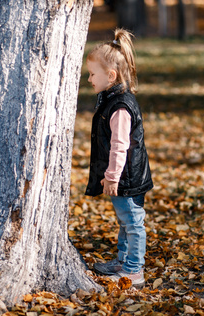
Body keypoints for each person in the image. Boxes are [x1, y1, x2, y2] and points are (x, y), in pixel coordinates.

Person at [84, 29, 153, 287]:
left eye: (92, 74)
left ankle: (134, 271)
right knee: (125, 222)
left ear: (110, 76)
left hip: (126, 176)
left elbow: (120, 145)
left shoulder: (120, 106)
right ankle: (123, 261)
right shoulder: (113, 99)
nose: (89, 79)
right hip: (127, 174)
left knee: (133, 223)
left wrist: (111, 177)